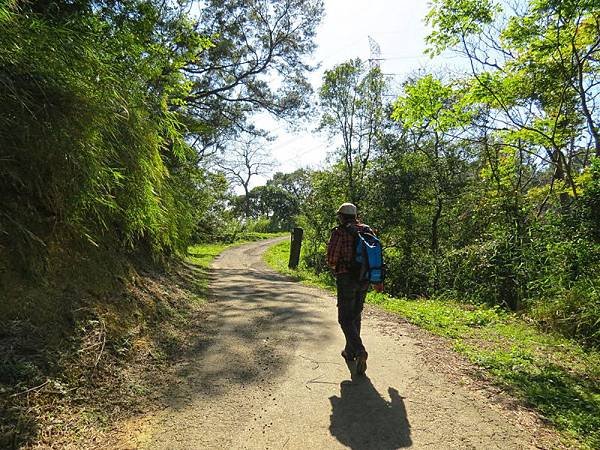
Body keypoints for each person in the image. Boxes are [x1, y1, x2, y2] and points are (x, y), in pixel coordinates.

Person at [326, 202, 373, 375]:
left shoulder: (339, 232)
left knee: (344, 318)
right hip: (365, 278)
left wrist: (336, 267)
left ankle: (360, 350)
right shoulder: (367, 230)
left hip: (346, 278)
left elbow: (332, 258)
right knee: (355, 315)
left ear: (341, 216)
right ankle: (350, 352)